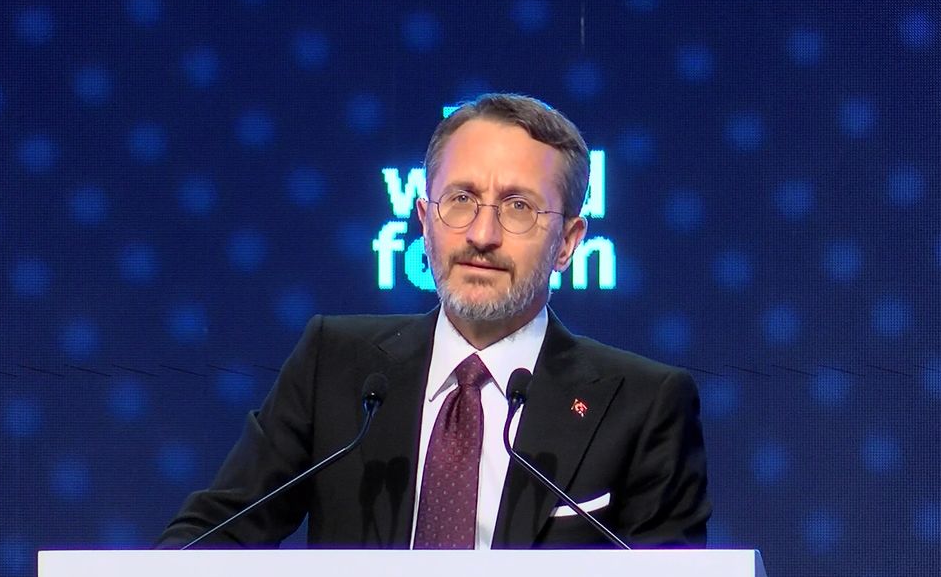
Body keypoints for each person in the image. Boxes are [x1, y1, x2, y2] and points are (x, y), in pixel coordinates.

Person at [156, 93, 709, 549]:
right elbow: (209, 538)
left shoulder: (644, 405)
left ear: (567, 242)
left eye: (518, 207)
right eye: (461, 199)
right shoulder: (336, 365)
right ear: (425, 220)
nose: (482, 235)